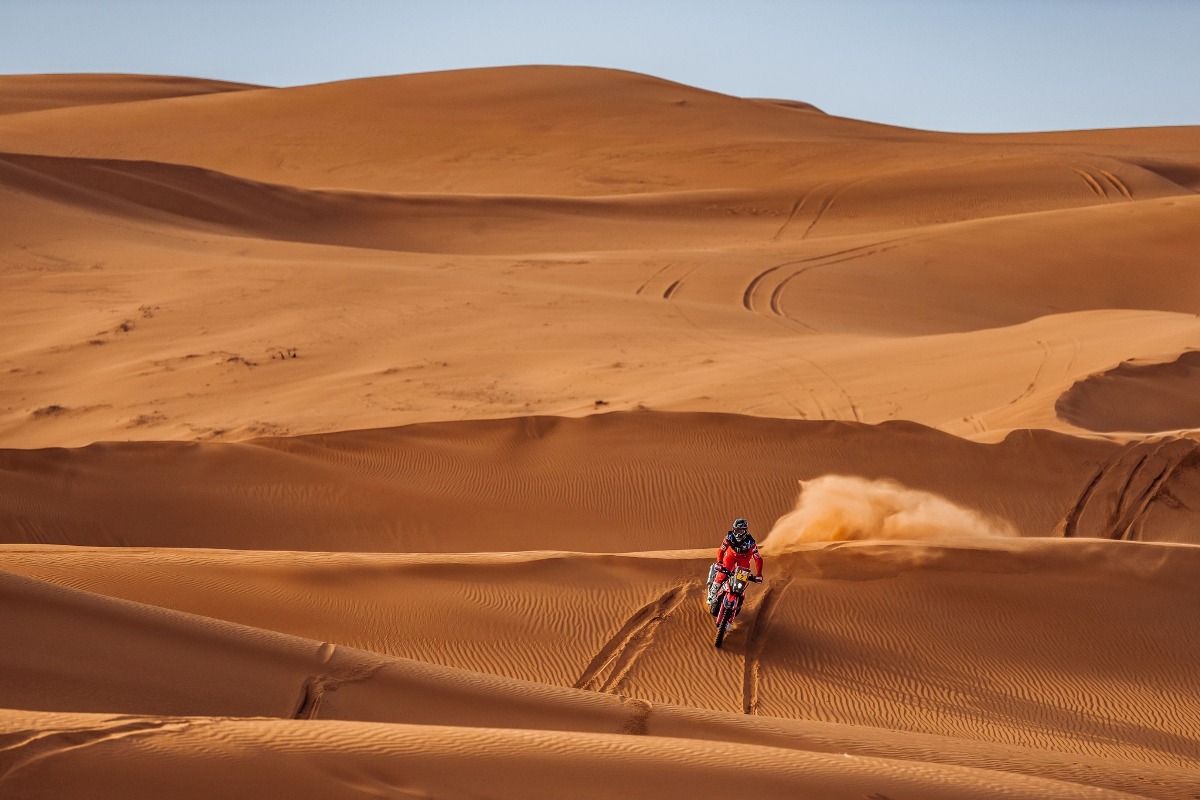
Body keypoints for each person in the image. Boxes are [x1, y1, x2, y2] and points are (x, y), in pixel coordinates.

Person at [706, 518, 763, 608]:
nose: (738, 533)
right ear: (733, 529)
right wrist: (719, 562)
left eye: (741, 531)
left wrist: (759, 573)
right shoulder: (729, 537)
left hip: (744, 560)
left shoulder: (750, 542)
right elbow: (721, 550)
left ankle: (737, 601)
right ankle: (711, 595)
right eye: (736, 530)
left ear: (745, 531)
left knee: (742, 580)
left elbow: (757, 558)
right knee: (722, 574)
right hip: (730, 556)